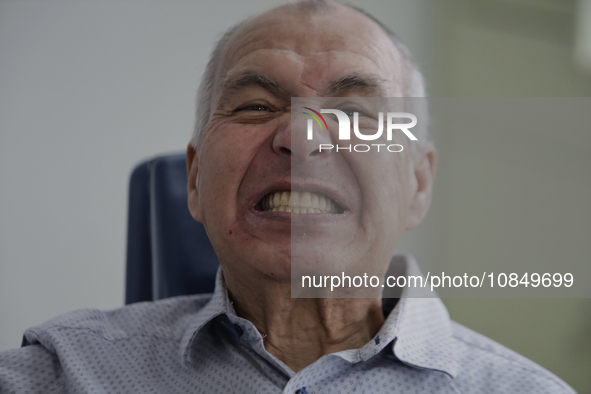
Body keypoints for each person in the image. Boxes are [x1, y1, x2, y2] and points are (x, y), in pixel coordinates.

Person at [0, 1, 576, 393]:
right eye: (255, 105)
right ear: (196, 179)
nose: (302, 137)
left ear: (417, 184)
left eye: (352, 113)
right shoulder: (62, 372)